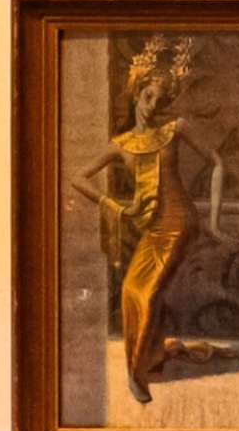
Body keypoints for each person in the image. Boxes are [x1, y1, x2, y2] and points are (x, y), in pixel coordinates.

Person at [69, 35, 226, 405]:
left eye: (160, 99)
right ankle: (151, 356)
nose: (153, 106)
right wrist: (114, 205)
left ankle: (137, 375)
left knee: (147, 291)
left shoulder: (176, 129)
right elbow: (78, 177)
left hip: (180, 220)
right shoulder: (122, 144)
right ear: (137, 93)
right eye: (147, 96)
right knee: (132, 291)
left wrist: (213, 223)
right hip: (149, 228)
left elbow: (217, 163)